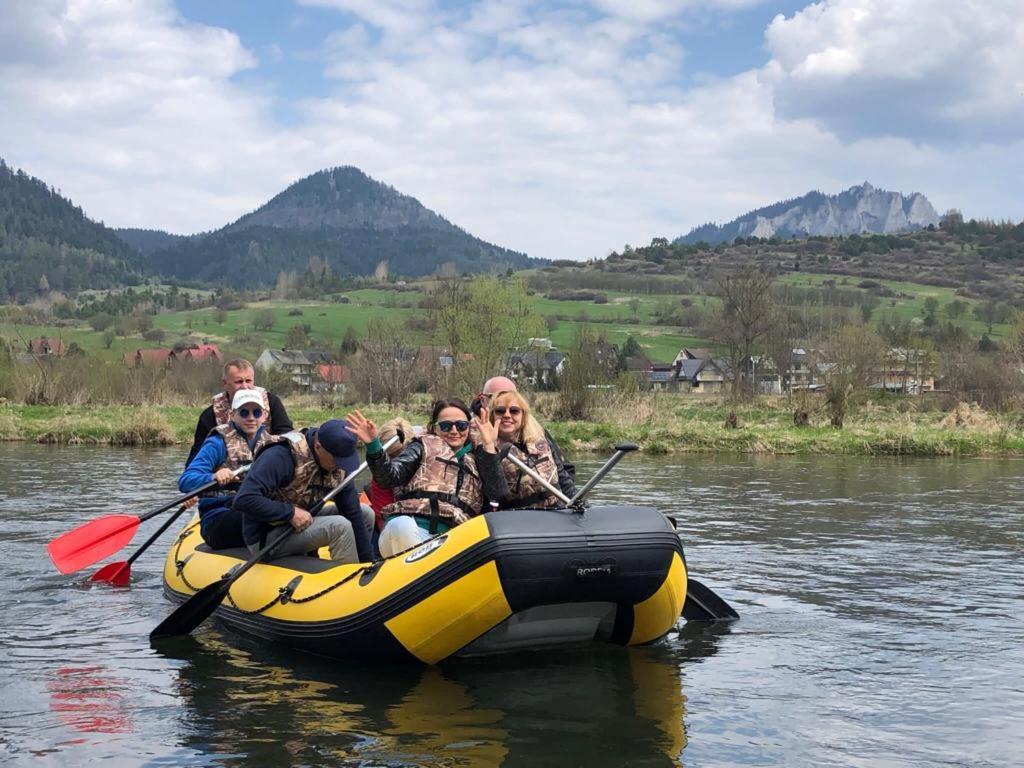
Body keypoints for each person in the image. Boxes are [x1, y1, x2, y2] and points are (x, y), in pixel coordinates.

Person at [346, 400, 506, 557]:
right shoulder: (420, 446)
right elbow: (389, 478)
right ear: (435, 428)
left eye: (461, 425)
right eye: (446, 425)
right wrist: (374, 446)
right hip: (412, 528)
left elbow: (497, 493)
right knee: (401, 526)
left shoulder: (480, 456)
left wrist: (489, 447)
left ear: (469, 427)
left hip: (455, 538)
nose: (454, 430)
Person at [233, 419, 375, 563]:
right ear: (318, 446)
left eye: (345, 460)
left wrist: (367, 563)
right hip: (267, 537)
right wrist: (290, 513)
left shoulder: (339, 466)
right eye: (336, 460)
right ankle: (347, 580)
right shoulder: (280, 456)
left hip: (305, 520)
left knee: (365, 513)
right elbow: (243, 499)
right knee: (340, 526)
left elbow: (352, 513)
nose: (341, 466)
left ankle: (362, 570)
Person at [177, 389, 273, 549]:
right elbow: (185, 481)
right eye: (244, 412)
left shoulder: (272, 443)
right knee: (261, 515)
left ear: (263, 416)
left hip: (253, 506)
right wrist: (213, 477)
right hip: (218, 517)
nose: (251, 418)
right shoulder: (217, 443)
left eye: (256, 412)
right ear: (232, 414)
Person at [185, 359, 293, 466]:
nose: (245, 386)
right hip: (229, 472)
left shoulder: (272, 402)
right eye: (239, 382)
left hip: (268, 464)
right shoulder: (210, 414)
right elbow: (196, 456)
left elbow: (287, 436)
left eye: (248, 381)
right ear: (225, 383)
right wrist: (213, 475)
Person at [473, 376, 575, 489]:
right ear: (483, 400)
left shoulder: (536, 430)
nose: (507, 414)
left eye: (514, 410)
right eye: (495, 398)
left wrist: (572, 501)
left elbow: (564, 471)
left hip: (555, 502)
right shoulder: (470, 434)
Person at [489, 389, 574, 508]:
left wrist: (575, 499)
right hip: (521, 516)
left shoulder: (540, 437)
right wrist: (490, 451)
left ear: (523, 415)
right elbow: (493, 493)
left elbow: (561, 474)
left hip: (557, 509)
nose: (507, 415)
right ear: (492, 416)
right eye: (500, 411)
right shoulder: (487, 449)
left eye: (514, 411)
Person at [366, 417, 414, 532]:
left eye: (403, 455)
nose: (398, 462)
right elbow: (385, 523)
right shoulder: (380, 480)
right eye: (392, 456)